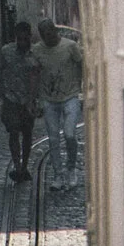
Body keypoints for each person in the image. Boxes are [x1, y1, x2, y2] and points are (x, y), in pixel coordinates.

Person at [33, 22, 84, 187]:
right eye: (44, 35)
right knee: (53, 138)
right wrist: (36, 98)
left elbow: (81, 64)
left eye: (50, 34)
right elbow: (34, 72)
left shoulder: (70, 46)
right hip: (48, 99)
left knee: (70, 133)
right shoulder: (37, 50)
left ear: (55, 32)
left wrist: (82, 87)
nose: (48, 38)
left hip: (70, 95)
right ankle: (58, 175)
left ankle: (71, 168)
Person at [0, 22, 41, 183]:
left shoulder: (36, 53)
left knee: (27, 133)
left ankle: (25, 166)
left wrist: (38, 100)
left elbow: (39, 77)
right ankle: (17, 165)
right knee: (13, 131)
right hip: (11, 98)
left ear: (29, 37)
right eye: (19, 39)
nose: (22, 42)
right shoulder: (6, 51)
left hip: (28, 100)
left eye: (25, 38)